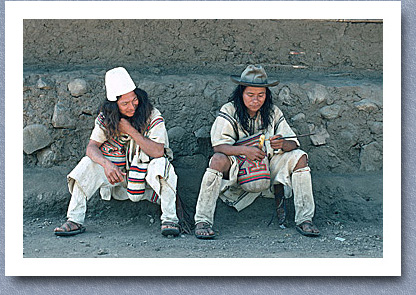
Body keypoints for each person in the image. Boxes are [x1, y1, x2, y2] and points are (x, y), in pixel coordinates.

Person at [194, 64, 320, 239]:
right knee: (217, 159)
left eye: (261, 95)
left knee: (300, 158)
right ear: (241, 93)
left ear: (266, 95)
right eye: (250, 95)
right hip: (236, 165)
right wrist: (245, 151)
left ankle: (305, 219)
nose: (256, 100)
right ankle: (203, 220)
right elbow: (219, 146)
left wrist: (283, 144)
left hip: (268, 164)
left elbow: (294, 143)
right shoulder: (229, 110)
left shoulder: (273, 112)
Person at [54, 67, 180, 237]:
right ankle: (74, 220)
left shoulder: (152, 115)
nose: (132, 106)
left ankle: (170, 220)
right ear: (114, 105)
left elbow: (158, 151)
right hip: (117, 175)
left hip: (144, 177)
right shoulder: (106, 118)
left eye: (134, 100)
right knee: (87, 163)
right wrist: (106, 165)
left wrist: (130, 130)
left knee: (162, 165)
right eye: (125, 103)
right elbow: (91, 147)